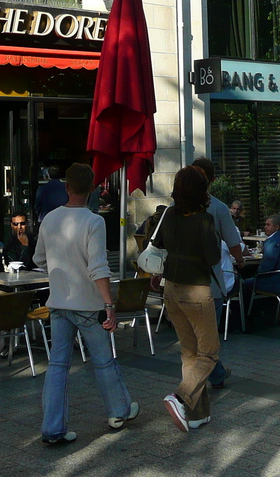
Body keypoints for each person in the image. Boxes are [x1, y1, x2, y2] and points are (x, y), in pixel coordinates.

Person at [34, 163, 138, 445]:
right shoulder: (94, 221)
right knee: (103, 362)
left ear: (66, 187)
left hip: (58, 301)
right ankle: (119, 410)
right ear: (92, 188)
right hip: (88, 304)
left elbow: (39, 259)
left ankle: (52, 427)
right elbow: (98, 267)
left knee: (57, 365)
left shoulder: (50, 219)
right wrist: (110, 304)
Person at [151, 166, 222, 432]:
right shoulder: (204, 219)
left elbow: (157, 243)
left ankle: (196, 414)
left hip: (171, 288)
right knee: (209, 353)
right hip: (197, 291)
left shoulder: (168, 214)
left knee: (189, 353)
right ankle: (180, 397)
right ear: (201, 191)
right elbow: (213, 257)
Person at [189, 157, 244, 389]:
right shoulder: (219, 208)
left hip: (180, 282)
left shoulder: (175, 207)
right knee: (208, 339)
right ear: (212, 180)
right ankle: (200, 383)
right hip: (209, 285)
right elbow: (234, 244)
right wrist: (240, 260)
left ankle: (213, 374)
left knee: (192, 340)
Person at [243, 214, 280, 304]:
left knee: (243, 283)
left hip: (276, 284)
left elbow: (265, 268)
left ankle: (248, 316)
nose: (265, 227)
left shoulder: (272, 241)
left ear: (277, 227)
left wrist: (255, 273)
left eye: (268, 225)